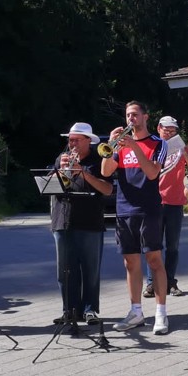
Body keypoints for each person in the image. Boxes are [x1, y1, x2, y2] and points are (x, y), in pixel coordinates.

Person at [101, 100, 170, 335]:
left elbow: (152, 173)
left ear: (145, 117)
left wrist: (134, 146)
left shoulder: (158, 143)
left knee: (154, 260)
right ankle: (136, 311)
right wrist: (112, 146)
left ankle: (161, 313)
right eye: (128, 115)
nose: (131, 119)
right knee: (130, 263)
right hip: (124, 209)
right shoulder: (121, 145)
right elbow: (105, 171)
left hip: (149, 209)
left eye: (135, 115)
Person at [50, 122, 113, 325]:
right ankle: (69, 310)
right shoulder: (62, 158)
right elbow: (49, 185)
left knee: (90, 270)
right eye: (70, 140)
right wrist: (61, 171)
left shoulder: (99, 160)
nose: (72, 144)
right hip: (63, 220)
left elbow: (108, 189)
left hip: (90, 221)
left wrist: (83, 173)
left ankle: (90, 310)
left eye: (77, 140)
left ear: (88, 141)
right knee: (64, 270)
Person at [144, 115, 188, 299]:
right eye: (166, 129)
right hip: (155, 202)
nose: (169, 133)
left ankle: (170, 282)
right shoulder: (153, 146)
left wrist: (186, 153)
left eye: (172, 130)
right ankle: (152, 283)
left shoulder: (182, 148)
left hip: (175, 203)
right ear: (159, 128)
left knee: (173, 246)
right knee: (153, 246)